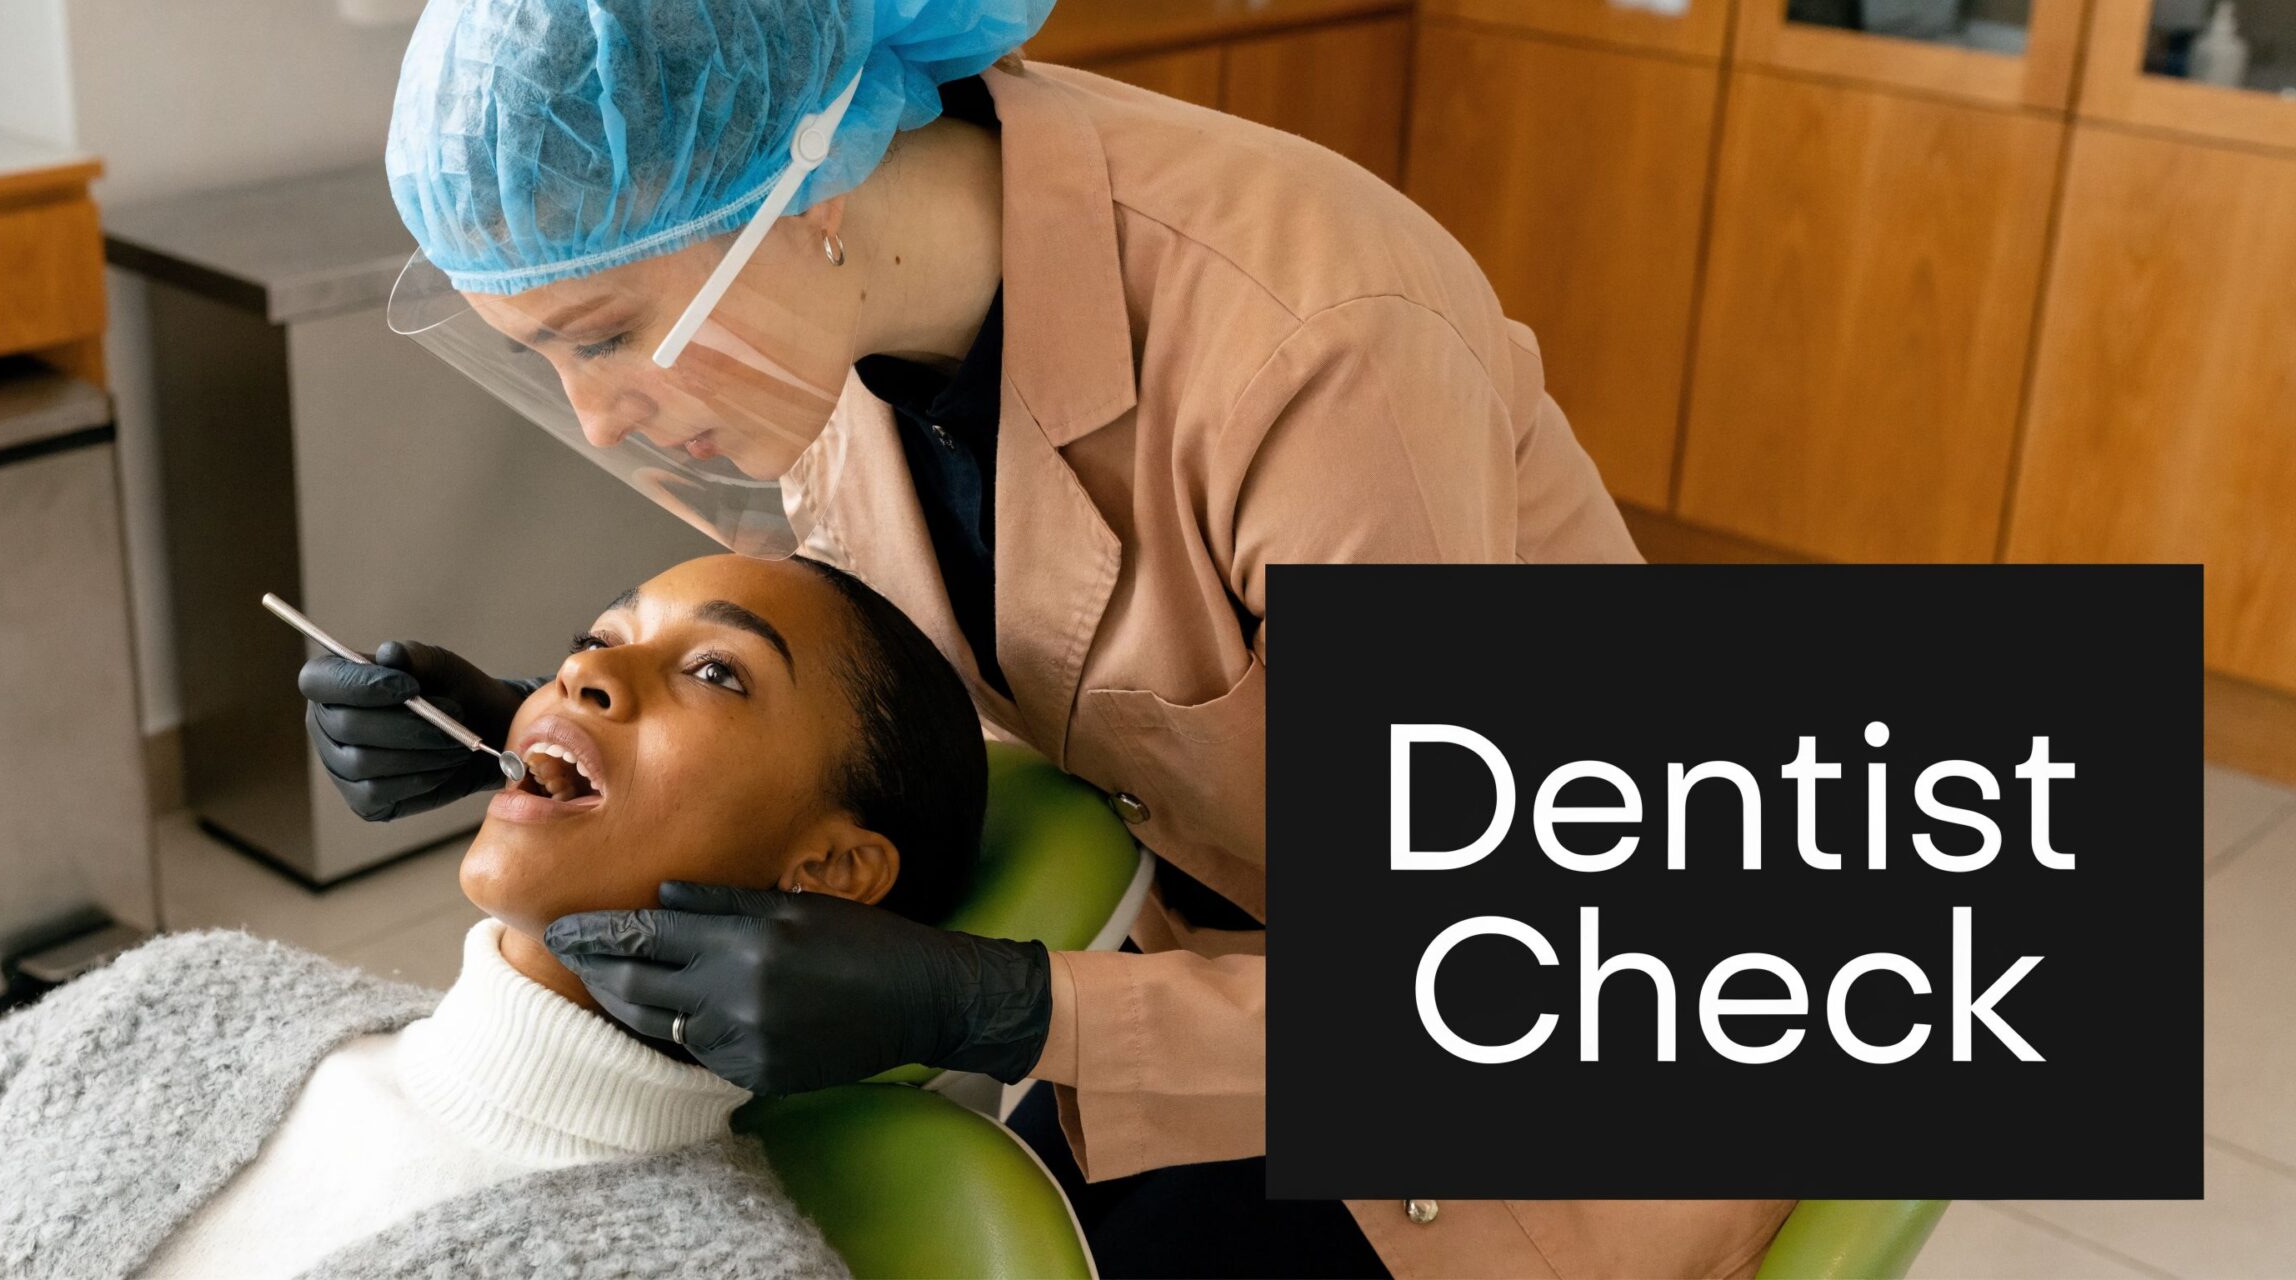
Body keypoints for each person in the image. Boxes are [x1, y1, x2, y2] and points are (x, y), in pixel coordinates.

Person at [304, 0, 1794, 1274]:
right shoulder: (846, 310)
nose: (600, 416)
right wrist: (541, 726)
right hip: (1224, 997)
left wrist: (1000, 1006)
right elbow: (882, 667)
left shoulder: (1316, 346)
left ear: (801, 194)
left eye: (607, 334)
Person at [0, 553, 995, 1280]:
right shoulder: (189, 993)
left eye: (715, 671)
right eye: (595, 641)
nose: (582, 674)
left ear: (831, 871)